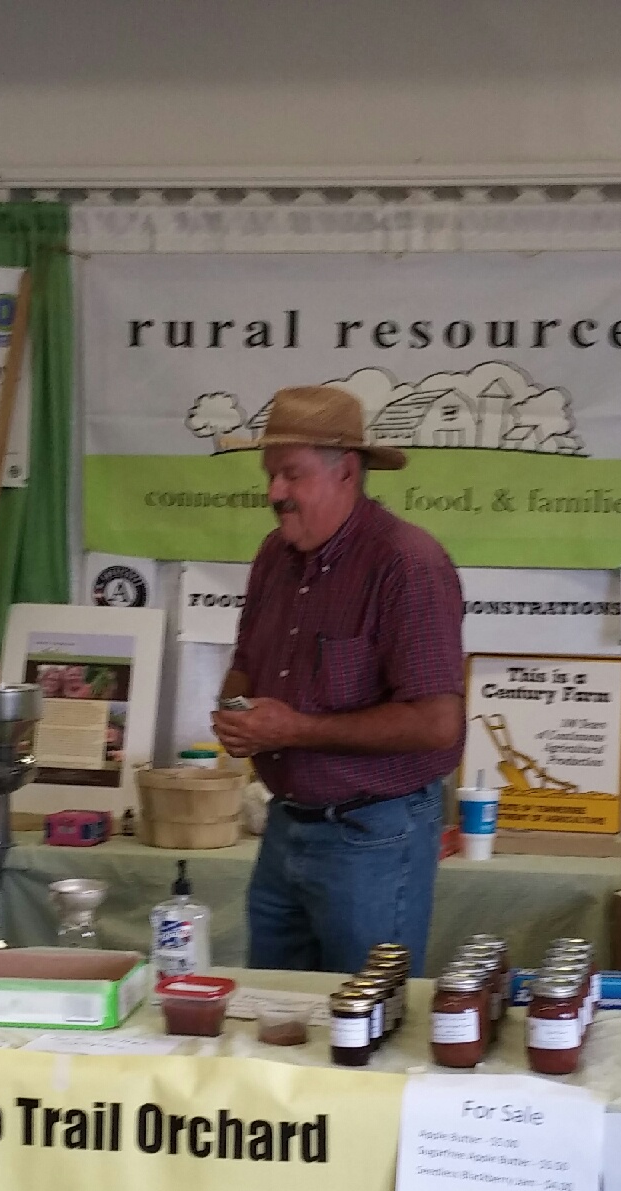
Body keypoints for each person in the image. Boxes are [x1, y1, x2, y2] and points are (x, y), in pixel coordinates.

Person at [211, 386, 465, 974]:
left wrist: (293, 729)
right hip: (285, 825)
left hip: (374, 835)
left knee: (367, 1017)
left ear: (346, 472)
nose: (274, 493)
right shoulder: (275, 556)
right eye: (270, 475)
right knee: (275, 1013)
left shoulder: (408, 564)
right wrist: (237, 710)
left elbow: (436, 724)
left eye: (291, 475)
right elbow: (246, 660)